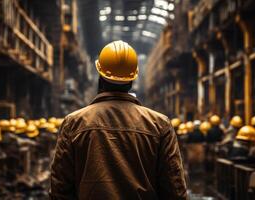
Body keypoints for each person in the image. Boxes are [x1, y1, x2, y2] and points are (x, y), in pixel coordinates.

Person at [50, 40, 187, 199]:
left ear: (100, 74)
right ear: (132, 79)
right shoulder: (160, 125)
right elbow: (175, 190)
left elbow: (60, 189)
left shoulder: (74, 123)